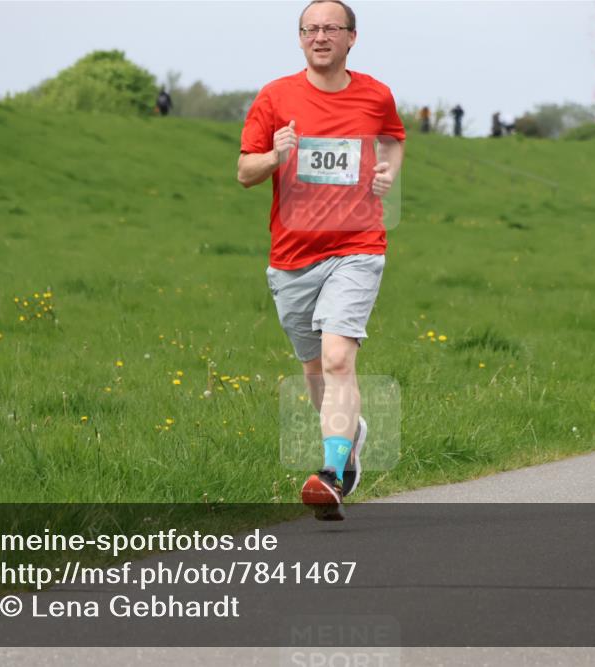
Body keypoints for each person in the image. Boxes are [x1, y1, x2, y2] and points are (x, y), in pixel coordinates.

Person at [237, 0, 405, 520]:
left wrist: (388, 173)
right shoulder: (275, 97)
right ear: (300, 38)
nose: (320, 36)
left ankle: (332, 473)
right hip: (291, 258)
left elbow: (394, 139)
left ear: (352, 37)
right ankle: (350, 434)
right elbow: (245, 171)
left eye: (332, 27)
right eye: (310, 28)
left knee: (338, 359)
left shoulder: (375, 94)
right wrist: (276, 155)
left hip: (357, 247)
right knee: (315, 370)